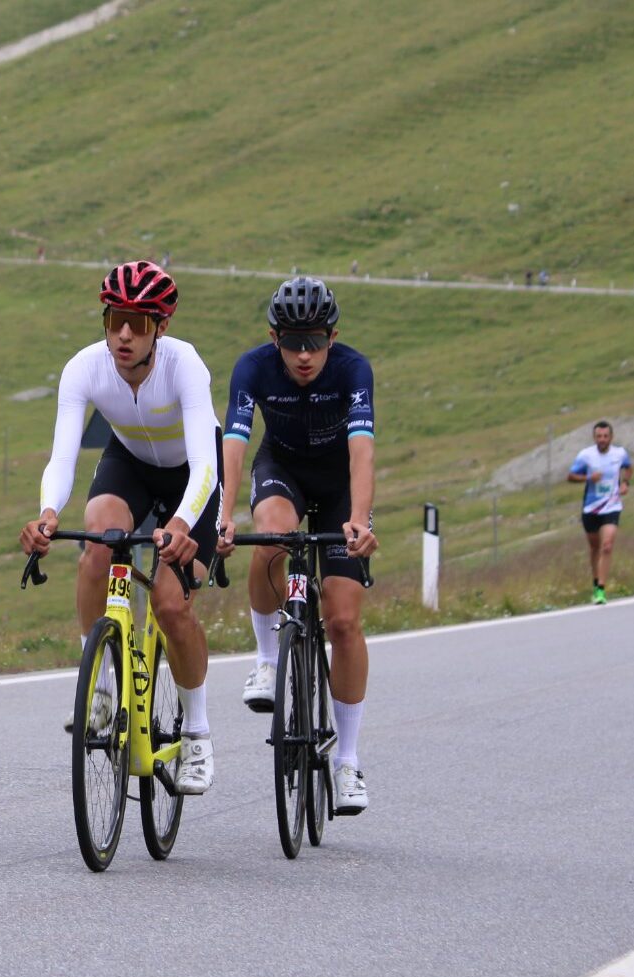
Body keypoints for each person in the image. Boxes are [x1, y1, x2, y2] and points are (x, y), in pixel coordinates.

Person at [18, 261, 223, 794]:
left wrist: (180, 522)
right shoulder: (84, 367)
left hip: (189, 476)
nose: (123, 335)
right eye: (114, 321)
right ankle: (101, 687)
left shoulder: (185, 366)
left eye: (137, 322)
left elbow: (205, 463)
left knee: (170, 604)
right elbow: (62, 457)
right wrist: (46, 513)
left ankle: (198, 732)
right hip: (129, 462)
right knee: (96, 540)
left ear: (161, 327)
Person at [216, 276, 379, 815]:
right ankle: (266, 659)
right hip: (282, 468)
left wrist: (357, 519)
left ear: (333, 336)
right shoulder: (253, 368)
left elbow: (362, 450)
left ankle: (349, 761)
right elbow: (235, 444)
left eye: (314, 341)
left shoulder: (353, 369)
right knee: (273, 536)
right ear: (273, 336)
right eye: (292, 342)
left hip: (337, 487)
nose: (304, 355)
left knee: (344, 622)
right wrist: (223, 515)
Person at [567, 421, 632, 605]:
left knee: (607, 546)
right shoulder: (586, 456)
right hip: (591, 508)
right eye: (599, 437)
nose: (602, 440)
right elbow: (570, 476)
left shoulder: (619, 453)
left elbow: (628, 467)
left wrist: (625, 483)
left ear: (611, 437)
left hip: (611, 506)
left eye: (605, 436)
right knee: (595, 548)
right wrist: (589, 478)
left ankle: (601, 591)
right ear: (594, 438)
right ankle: (595, 584)